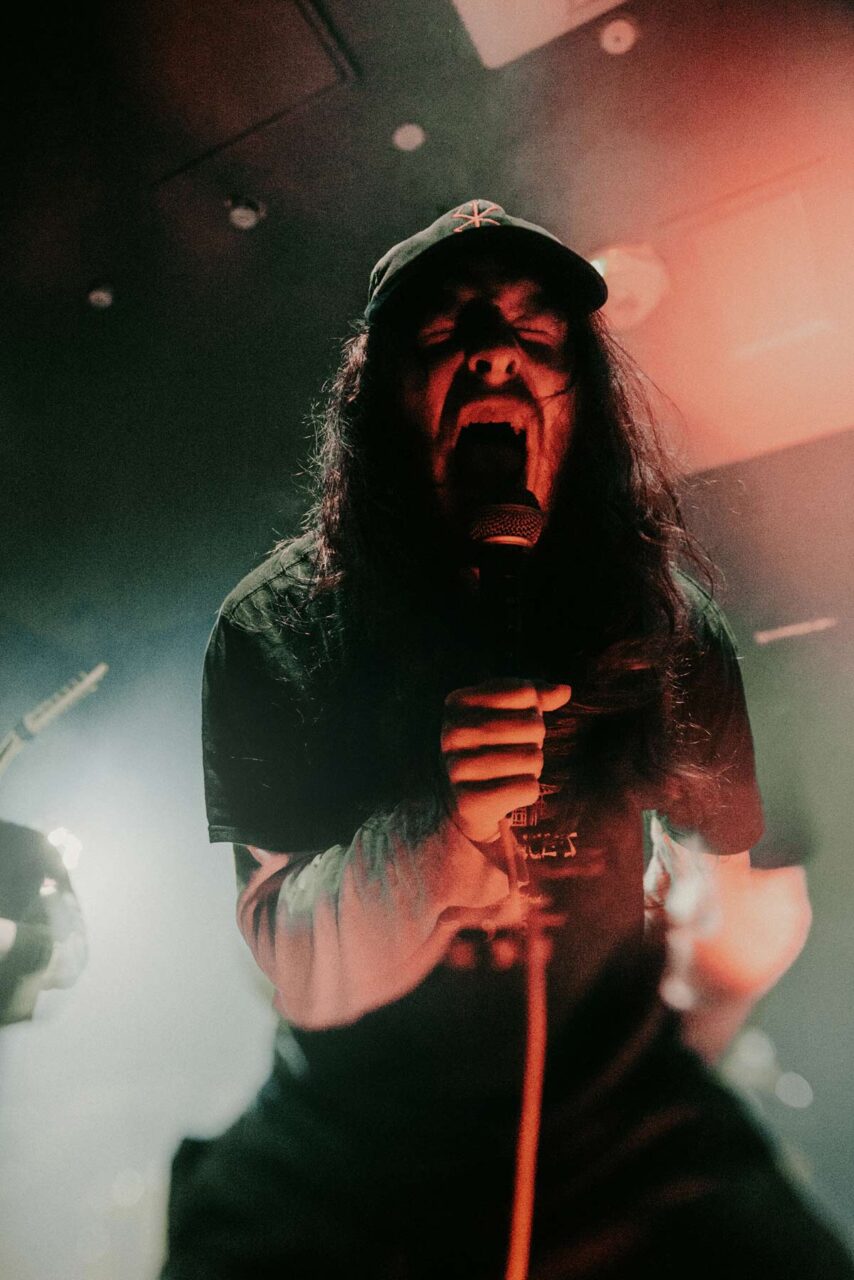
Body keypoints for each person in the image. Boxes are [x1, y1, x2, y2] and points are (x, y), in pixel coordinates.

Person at [162, 200, 853, 1278]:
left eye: (536, 334)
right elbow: (292, 965)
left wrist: (679, 1054)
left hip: (611, 1122)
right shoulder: (275, 623)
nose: (493, 350)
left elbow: (749, 904)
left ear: (579, 400)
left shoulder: (661, 615)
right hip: (354, 1135)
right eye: (442, 333)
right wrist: (439, 838)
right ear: (378, 396)